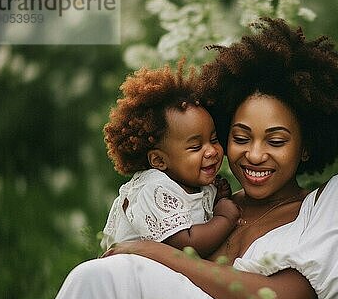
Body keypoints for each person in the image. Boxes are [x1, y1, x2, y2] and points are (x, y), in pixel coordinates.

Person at [0, 17, 338, 299]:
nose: (255, 154)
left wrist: (153, 253)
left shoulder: (332, 199)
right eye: (240, 137)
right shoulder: (211, 203)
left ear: (305, 147)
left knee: (101, 278)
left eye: (277, 140)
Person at [100, 61, 240, 257]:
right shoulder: (154, 189)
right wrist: (224, 217)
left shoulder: (195, 183)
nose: (211, 151)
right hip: (131, 276)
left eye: (214, 139)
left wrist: (218, 199)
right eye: (196, 147)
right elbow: (187, 245)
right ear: (159, 161)